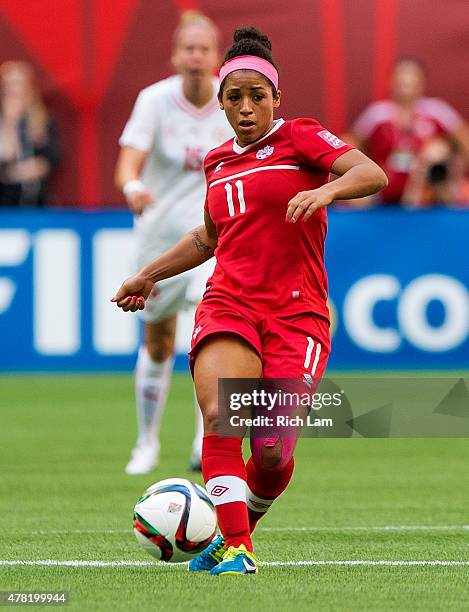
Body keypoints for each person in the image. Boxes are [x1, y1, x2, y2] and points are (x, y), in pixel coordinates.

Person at [112, 26, 387, 575]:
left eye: (256, 96)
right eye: (233, 98)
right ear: (221, 103)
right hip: (229, 302)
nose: (245, 107)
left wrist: (326, 189)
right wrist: (149, 274)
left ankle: (236, 532)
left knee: (270, 450)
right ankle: (238, 549)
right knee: (220, 413)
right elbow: (209, 238)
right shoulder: (217, 161)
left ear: (275, 98)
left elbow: (370, 172)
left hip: (297, 313)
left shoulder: (302, 139)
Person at [115, 12, 233, 475]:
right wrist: (132, 188)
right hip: (161, 241)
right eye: (189, 49)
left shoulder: (234, 100)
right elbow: (128, 161)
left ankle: (208, 437)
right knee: (160, 343)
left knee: (211, 335)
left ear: (216, 55)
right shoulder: (155, 101)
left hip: (213, 239)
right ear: (176, 55)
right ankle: (146, 443)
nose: (196, 57)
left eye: (204, 49)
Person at [346, 57, 469, 206]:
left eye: (412, 77)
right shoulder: (377, 113)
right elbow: (350, 145)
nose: (406, 82)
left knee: (438, 152)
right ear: (391, 81)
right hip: (383, 187)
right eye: (401, 77)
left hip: (426, 192)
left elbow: (464, 142)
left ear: (422, 82)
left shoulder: (437, 110)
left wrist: (456, 172)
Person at [0, 61, 58, 206]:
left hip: (34, 203)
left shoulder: (44, 121)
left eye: (19, 83)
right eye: (9, 84)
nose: (14, 90)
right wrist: (9, 122)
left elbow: (49, 162)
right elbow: (6, 155)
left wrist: (12, 172)